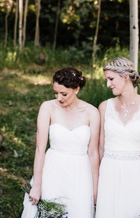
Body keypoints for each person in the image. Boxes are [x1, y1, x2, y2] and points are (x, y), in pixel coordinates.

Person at [22, 67, 100, 218]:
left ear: (76, 89)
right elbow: (40, 149)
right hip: (53, 169)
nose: (59, 98)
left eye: (64, 94)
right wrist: (37, 185)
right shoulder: (48, 107)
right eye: (55, 93)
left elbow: (93, 153)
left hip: (80, 174)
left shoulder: (92, 112)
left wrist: (95, 189)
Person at [96, 57, 140, 217]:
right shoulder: (105, 107)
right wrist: (95, 184)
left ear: (125, 76)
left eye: (111, 79)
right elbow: (99, 148)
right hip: (108, 174)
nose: (108, 84)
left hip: (136, 175)